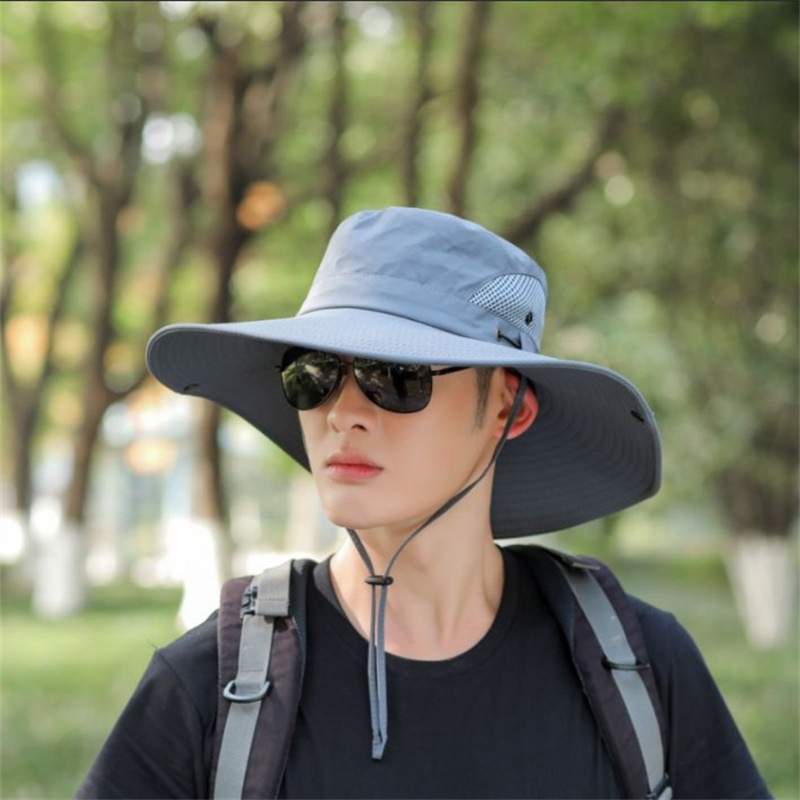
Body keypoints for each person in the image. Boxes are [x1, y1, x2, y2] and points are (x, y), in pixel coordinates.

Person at [76, 207, 769, 799]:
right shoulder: (210, 689)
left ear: (509, 406)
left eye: (396, 376)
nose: (343, 413)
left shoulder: (642, 671)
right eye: (313, 374)